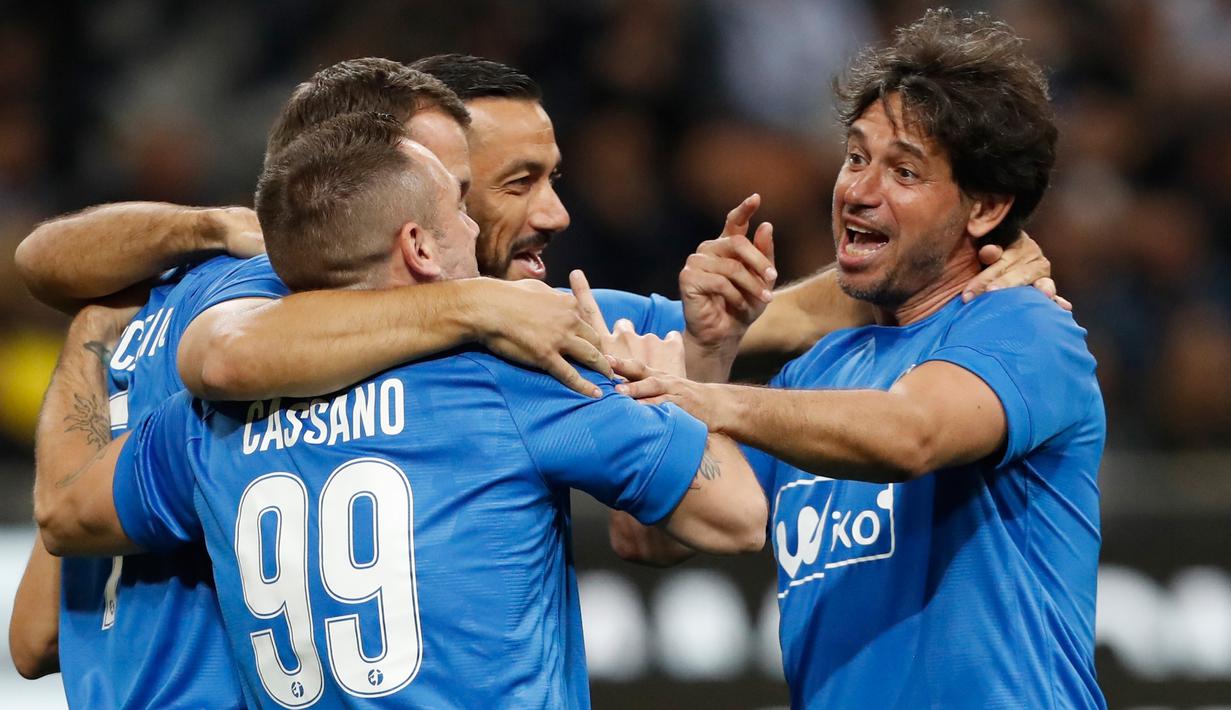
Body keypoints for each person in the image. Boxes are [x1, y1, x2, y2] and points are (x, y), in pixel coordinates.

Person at [35, 111, 767, 709]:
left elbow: (64, 522)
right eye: (458, 204)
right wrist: (686, 386)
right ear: (416, 244)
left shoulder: (203, 420)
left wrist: (87, 338)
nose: (477, 229)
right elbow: (735, 517)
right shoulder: (508, 370)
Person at [614, 10, 1107, 708]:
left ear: (986, 207)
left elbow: (911, 433)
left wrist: (711, 401)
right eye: (854, 156)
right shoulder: (817, 372)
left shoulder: (1025, 326)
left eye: (904, 170)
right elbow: (652, 535)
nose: (859, 190)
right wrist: (706, 354)